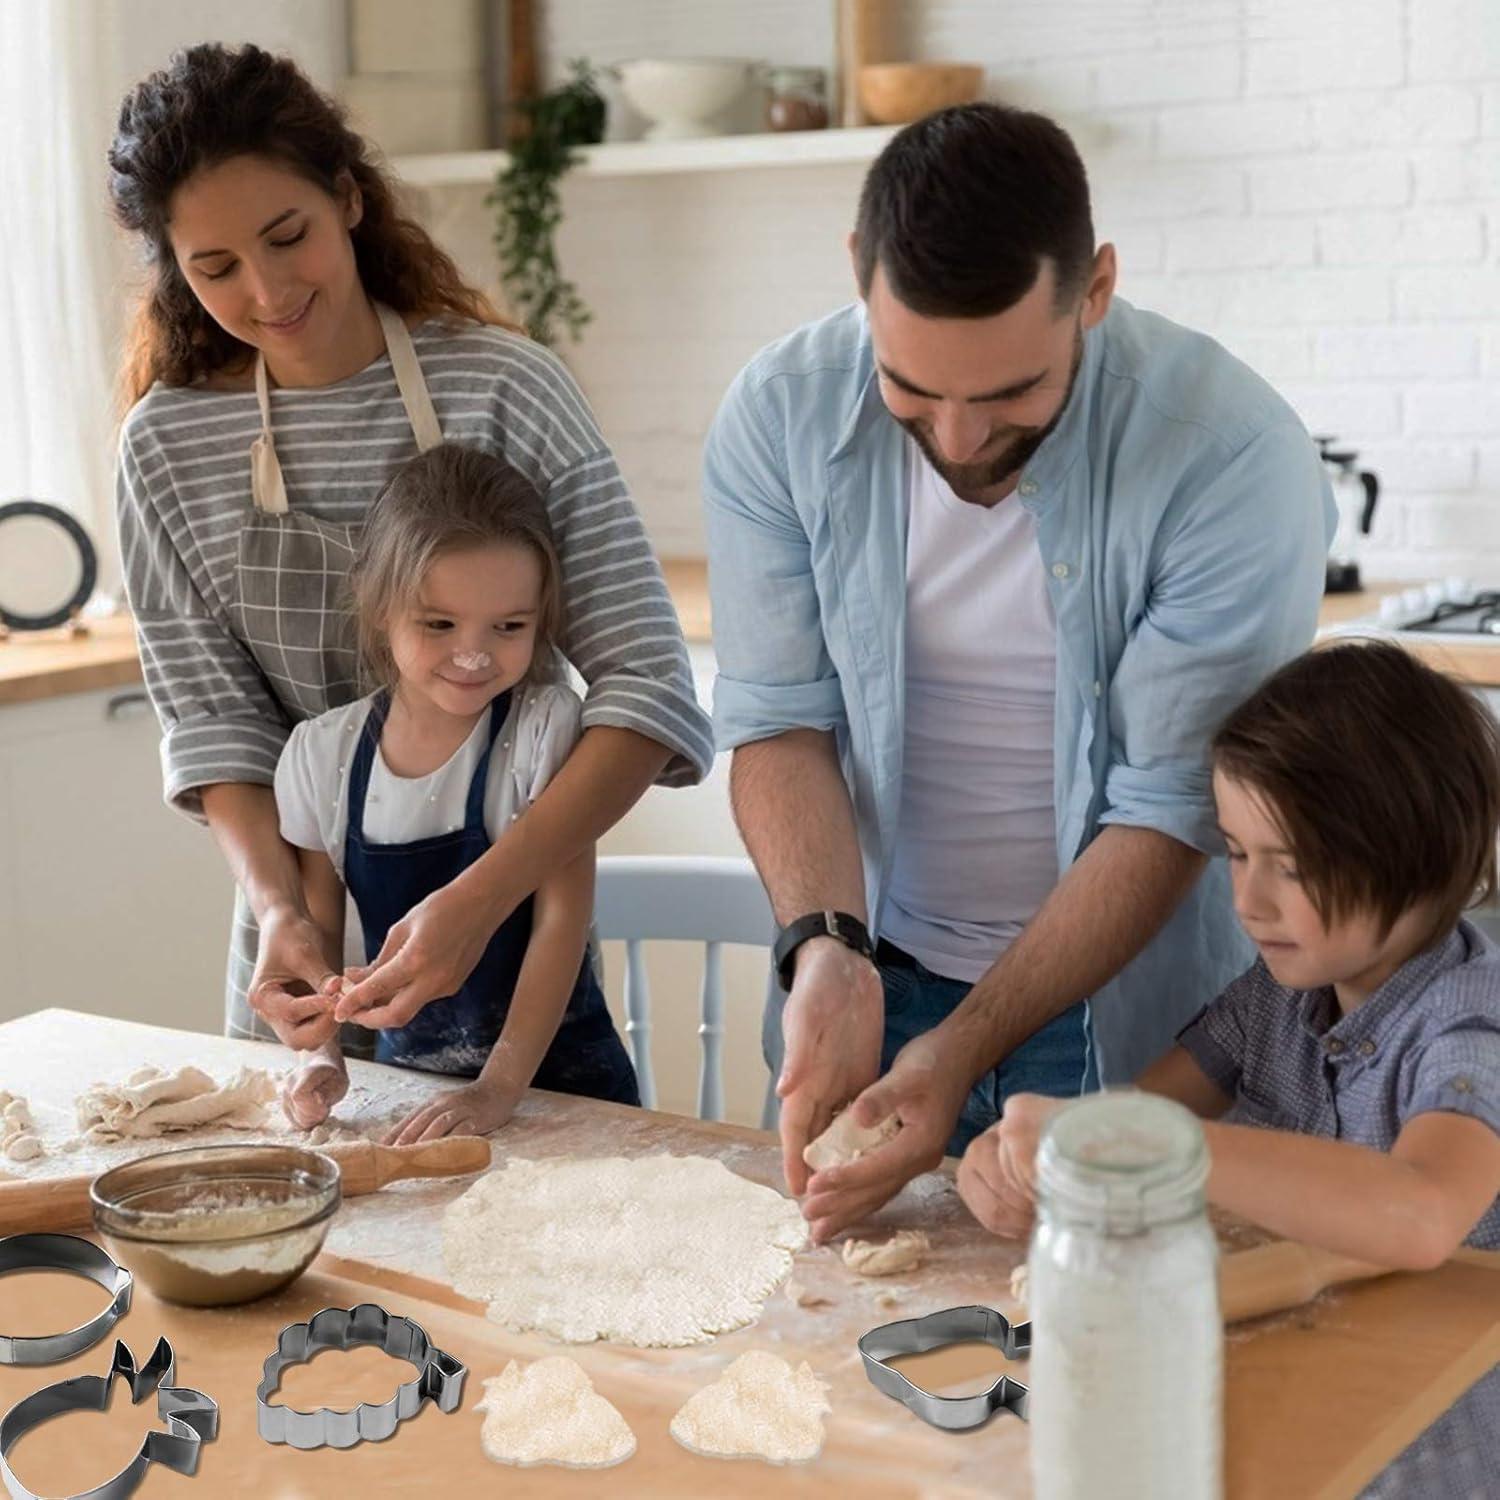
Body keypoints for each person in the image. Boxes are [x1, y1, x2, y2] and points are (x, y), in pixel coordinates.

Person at [704, 101, 1334, 1240]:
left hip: (1136, 1020)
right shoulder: (779, 413)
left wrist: (964, 1046)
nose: (956, 441)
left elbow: (1167, 808)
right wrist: (826, 949)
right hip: (870, 980)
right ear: (859, 275)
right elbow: (780, 721)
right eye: (911, 389)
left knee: (1116, 1325)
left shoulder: (1230, 457)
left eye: (1007, 396)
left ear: (1094, 289)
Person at [109, 44, 711, 1056]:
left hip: (509, 943)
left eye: (287, 236)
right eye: (216, 268)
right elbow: (217, 728)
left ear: (348, 198)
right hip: (302, 962)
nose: (267, 289)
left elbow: (648, 688)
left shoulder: (505, 388)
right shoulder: (166, 447)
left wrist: (480, 899)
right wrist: (284, 913)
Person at [959, 640, 1500, 1498]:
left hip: (1434, 1466)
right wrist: (1033, 1169)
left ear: (1421, 855)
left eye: (1295, 867)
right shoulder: (1275, 999)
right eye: (1239, 854)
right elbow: (1137, 1122)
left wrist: (1129, 1136)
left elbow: (1423, 1212)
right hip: (1294, 1432)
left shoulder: (1470, 1026)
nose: (1248, 902)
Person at [274, 443, 639, 1141]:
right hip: (414, 1095)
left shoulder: (544, 729)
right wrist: (320, 1055)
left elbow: (560, 927)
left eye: (510, 627)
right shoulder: (323, 757)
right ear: (379, 609)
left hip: (564, 1089)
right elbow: (318, 942)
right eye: (439, 624)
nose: (474, 654)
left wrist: (498, 1089)